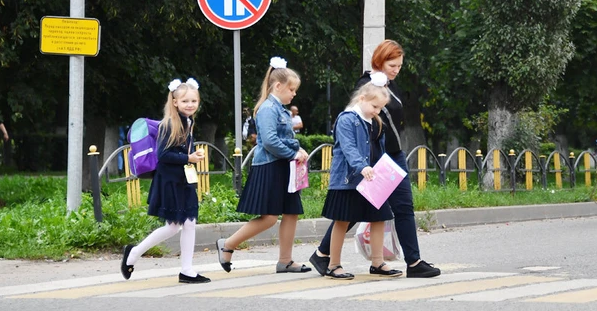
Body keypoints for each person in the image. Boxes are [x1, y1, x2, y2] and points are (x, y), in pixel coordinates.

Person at [309, 40, 441, 278]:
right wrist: (364, 164)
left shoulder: (391, 85)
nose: (396, 69)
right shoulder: (366, 88)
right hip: (372, 161)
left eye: (400, 65)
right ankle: (325, 256)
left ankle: (411, 261)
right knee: (349, 212)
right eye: (392, 64)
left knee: (395, 208)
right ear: (379, 61)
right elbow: (354, 140)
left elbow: (384, 127)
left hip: (390, 156)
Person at [217, 57, 311, 274]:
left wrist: (298, 149)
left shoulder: (280, 109)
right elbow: (268, 141)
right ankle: (228, 244)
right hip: (270, 166)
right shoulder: (268, 108)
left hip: (283, 166)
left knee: (291, 212)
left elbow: (282, 138)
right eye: (291, 89)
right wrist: (292, 153)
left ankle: (285, 261)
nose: (294, 94)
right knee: (269, 218)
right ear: (278, 86)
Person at [121, 78, 209, 283]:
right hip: (170, 181)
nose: (190, 105)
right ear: (175, 102)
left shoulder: (187, 121)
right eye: (185, 101)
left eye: (194, 101)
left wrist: (190, 154)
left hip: (182, 179)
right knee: (173, 226)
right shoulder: (170, 123)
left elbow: (175, 151)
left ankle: (187, 271)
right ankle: (133, 253)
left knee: (189, 223)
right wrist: (189, 158)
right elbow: (163, 155)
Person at [319, 78, 401, 279]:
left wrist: (384, 170)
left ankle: (377, 262)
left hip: (372, 179)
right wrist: (361, 166)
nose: (377, 111)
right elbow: (348, 148)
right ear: (362, 98)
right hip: (348, 180)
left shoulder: (375, 121)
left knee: (379, 218)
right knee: (342, 221)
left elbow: (379, 149)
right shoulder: (347, 119)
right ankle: (333, 265)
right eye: (375, 106)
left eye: (381, 108)